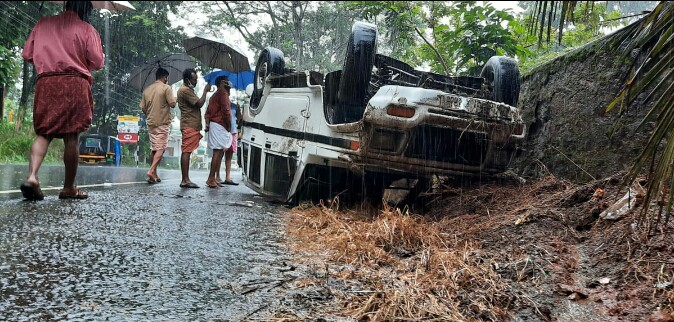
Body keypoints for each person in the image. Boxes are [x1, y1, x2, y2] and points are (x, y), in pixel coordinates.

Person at [19, 1, 103, 201]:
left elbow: (27, 54)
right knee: (72, 137)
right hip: (75, 83)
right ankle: (68, 188)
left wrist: (48, 58)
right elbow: (97, 62)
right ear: (86, 9)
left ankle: (32, 177)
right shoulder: (87, 29)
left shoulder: (43, 24)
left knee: (44, 133)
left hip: (47, 82)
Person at [140, 67, 176, 183]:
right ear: (165, 77)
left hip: (151, 123)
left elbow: (143, 108)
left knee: (155, 147)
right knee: (161, 148)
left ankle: (154, 174)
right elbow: (172, 104)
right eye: (167, 78)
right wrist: (175, 98)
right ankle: (151, 171)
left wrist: (151, 114)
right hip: (162, 122)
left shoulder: (147, 90)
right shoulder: (166, 88)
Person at [177, 68, 211, 188]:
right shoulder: (185, 90)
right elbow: (199, 103)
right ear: (187, 80)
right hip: (189, 125)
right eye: (194, 79)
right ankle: (185, 180)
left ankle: (186, 179)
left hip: (191, 124)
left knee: (187, 151)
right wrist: (206, 91)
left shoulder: (188, 90)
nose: (195, 82)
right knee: (186, 151)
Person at [204, 76, 232, 188]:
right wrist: (229, 125)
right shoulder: (222, 92)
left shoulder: (214, 96)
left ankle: (213, 178)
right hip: (220, 124)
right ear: (222, 82)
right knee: (217, 152)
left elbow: (207, 113)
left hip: (215, 124)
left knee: (219, 152)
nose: (229, 83)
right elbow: (226, 110)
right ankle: (211, 178)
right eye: (226, 81)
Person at [220, 96, 241, 186]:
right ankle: (217, 176)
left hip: (232, 132)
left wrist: (239, 110)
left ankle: (228, 177)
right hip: (223, 131)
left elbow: (240, 119)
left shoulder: (234, 106)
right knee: (219, 154)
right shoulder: (221, 105)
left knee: (229, 155)